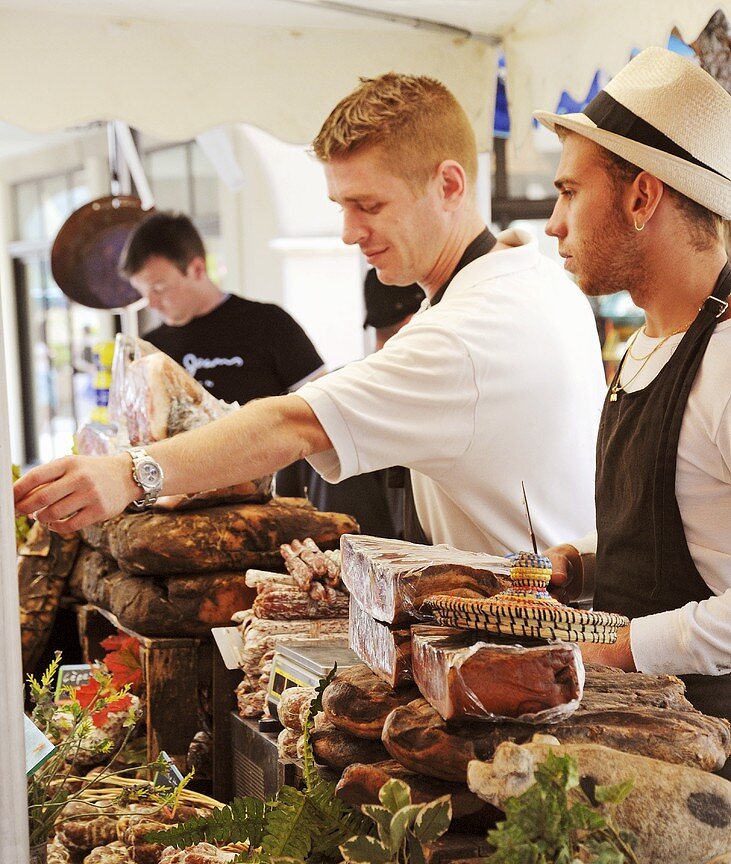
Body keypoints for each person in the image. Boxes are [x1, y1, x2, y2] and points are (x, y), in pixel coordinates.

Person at [15, 72, 605, 560]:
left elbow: (291, 423)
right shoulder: (532, 275)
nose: (350, 233)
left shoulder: (468, 330)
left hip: (538, 640)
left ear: (448, 184)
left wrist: (131, 473)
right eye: (340, 206)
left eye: (368, 205)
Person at [533, 47, 731, 722]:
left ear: (641, 195)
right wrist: (581, 567)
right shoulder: (648, 345)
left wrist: (618, 648)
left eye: (567, 192)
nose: (553, 224)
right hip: (646, 730)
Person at [120, 209, 324, 494]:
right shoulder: (151, 350)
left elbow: (319, 409)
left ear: (197, 269)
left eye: (160, 287)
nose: (152, 303)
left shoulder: (268, 323)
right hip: (182, 502)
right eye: (143, 292)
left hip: (273, 496)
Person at [306, 269, 425, 537]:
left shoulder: (325, 389)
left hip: (321, 564)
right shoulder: (406, 400)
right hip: (380, 571)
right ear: (414, 320)